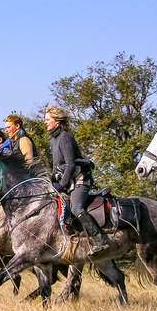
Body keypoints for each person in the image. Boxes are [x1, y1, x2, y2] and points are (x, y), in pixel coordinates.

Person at [44, 105, 109, 256]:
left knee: (76, 208)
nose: (45, 122)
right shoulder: (53, 141)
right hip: (68, 181)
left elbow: (71, 164)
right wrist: (50, 180)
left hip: (80, 180)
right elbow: (56, 167)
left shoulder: (65, 137)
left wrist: (62, 184)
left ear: (57, 121)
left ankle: (100, 239)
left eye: (48, 120)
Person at [3, 114, 47, 178]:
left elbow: (29, 163)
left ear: (17, 126)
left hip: (32, 179)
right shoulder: (13, 142)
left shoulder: (24, 140)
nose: (6, 130)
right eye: (6, 128)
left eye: (8, 127)